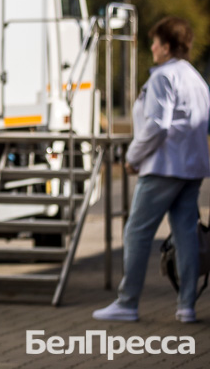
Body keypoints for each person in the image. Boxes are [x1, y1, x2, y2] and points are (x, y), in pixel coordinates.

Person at [93, 16, 210, 323]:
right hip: (192, 167)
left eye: (156, 42)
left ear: (167, 46)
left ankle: (127, 302)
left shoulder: (163, 77)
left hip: (163, 167)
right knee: (186, 234)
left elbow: (156, 125)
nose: (153, 47)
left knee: (136, 232)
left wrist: (132, 158)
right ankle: (186, 305)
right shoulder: (196, 78)